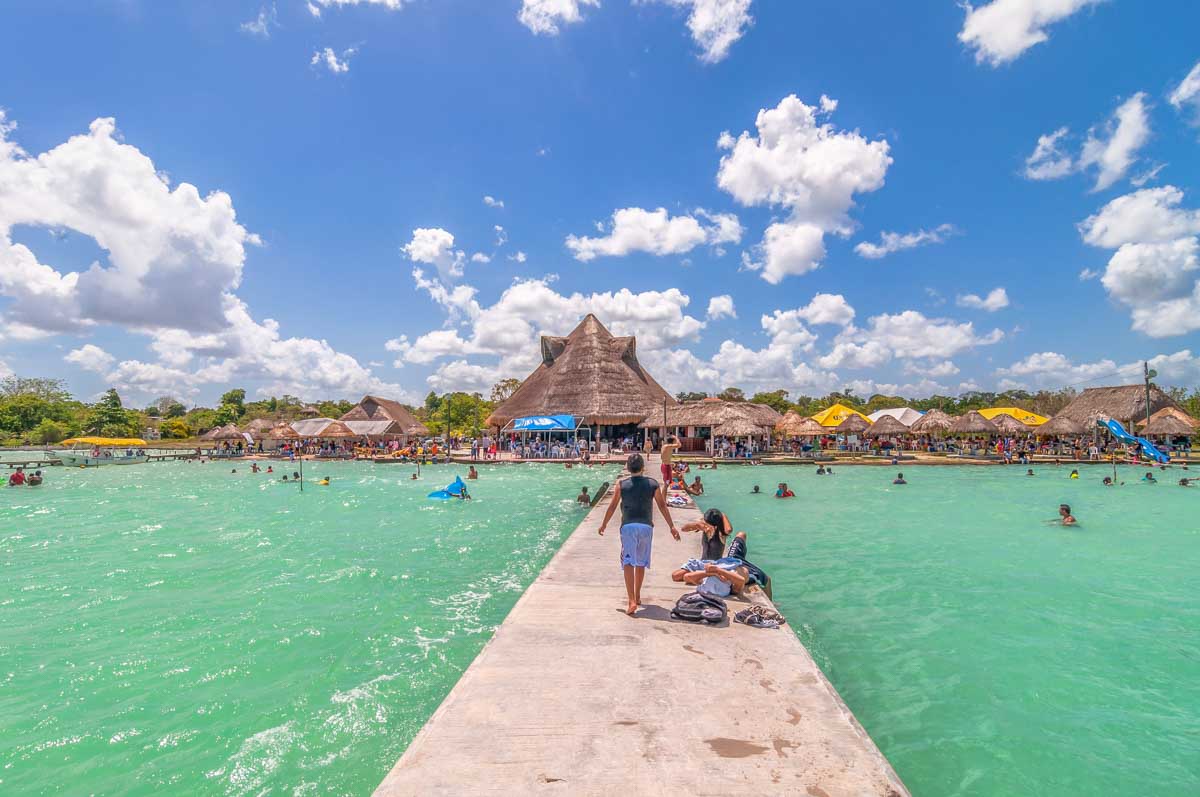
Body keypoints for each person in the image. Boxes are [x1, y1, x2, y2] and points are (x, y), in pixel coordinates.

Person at [597, 453, 679, 616]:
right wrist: (671, 526)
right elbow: (662, 506)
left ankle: (631, 600)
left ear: (628, 468)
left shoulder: (622, 485)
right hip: (646, 527)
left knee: (628, 562)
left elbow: (612, 507)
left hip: (628, 527)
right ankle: (638, 595)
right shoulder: (652, 484)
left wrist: (604, 524)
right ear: (643, 467)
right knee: (640, 562)